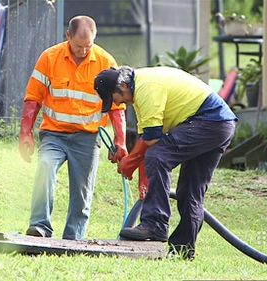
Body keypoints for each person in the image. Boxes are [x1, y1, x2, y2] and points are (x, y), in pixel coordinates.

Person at [94, 66, 237, 259]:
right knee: (190, 191)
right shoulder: (139, 88)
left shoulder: (146, 88)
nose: (118, 103)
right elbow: (147, 137)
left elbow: (152, 140)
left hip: (208, 120)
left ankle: (155, 224)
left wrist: (129, 163)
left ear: (124, 86)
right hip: (221, 125)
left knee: (158, 156)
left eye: (115, 98)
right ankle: (183, 250)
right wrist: (143, 181)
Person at [19, 15, 127, 240]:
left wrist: (120, 140)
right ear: (68, 36)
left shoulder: (106, 62)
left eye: (88, 46)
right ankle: (39, 227)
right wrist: (26, 133)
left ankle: (73, 238)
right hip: (54, 134)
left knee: (82, 192)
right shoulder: (50, 58)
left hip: (87, 138)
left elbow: (118, 107)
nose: (84, 51)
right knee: (45, 168)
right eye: (79, 46)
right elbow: (33, 99)